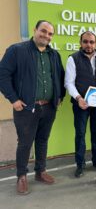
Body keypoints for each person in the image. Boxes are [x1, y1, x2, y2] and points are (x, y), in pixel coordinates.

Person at [0, 20, 65, 195]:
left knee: (43, 140)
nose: (46, 36)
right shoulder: (17, 50)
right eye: (43, 31)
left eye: (50, 34)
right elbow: (3, 75)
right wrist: (13, 99)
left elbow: (60, 76)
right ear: (35, 30)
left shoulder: (54, 55)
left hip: (48, 107)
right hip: (26, 109)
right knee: (25, 143)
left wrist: (60, 96)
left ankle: (40, 171)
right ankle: (21, 176)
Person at [64, 31, 96, 178]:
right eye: (85, 41)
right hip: (81, 104)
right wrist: (78, 98)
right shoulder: (73, 59)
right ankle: (80, 164)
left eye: (92, 42)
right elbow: (68, 83)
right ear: (80, 42)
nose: (89, 45)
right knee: (80, 133)